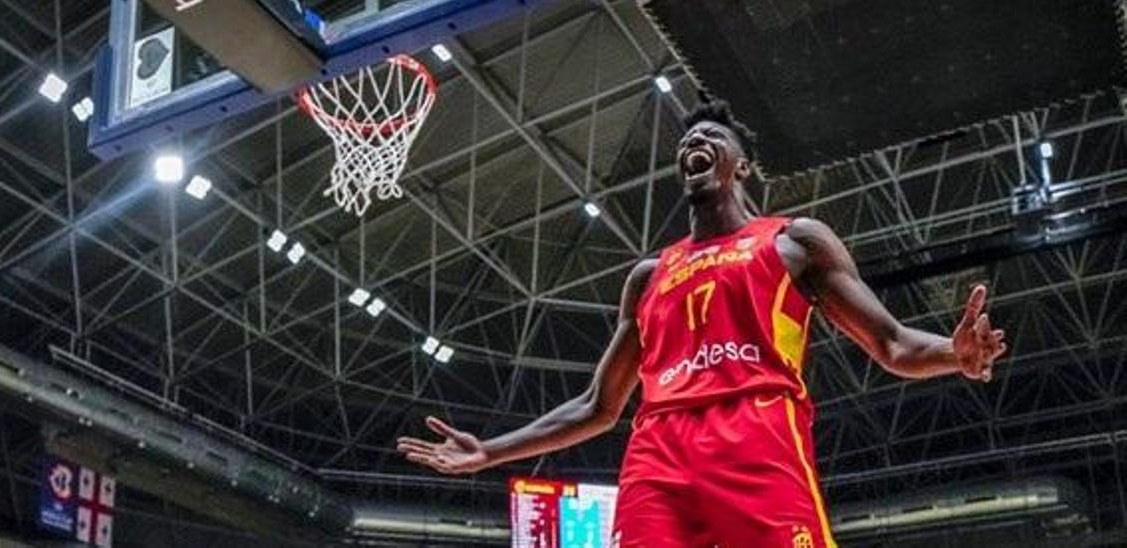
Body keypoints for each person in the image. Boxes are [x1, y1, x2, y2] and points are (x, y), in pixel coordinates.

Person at [396, 100, 1008, 547]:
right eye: (688, 140)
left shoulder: (794, 242)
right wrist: (490, 453)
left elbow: (893, 343)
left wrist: (955, 354)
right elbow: (597, 406)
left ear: (740, 166)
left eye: (712, 136)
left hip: (757, 431)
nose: (696, 142)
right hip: (658, 450)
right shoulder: (648, 274)